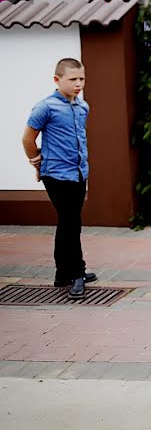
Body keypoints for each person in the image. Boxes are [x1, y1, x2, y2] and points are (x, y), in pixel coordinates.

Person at [21, 59, 97, 300]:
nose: (78, 84)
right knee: (70, 222)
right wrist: (36, 161)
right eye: (72, 79)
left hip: (78, 173)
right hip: (55, 175)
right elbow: (27, 139)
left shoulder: (82, 107)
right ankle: (76, 274)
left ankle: (63, 273)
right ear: (57, 80)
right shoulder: (45, 107)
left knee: (69, 222)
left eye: (81, 79)